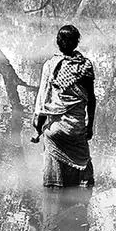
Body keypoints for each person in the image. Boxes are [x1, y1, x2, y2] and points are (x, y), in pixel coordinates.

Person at [32, 24, 96, 187]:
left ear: (57, 42)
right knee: (82, 179)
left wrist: (38, 130)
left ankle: (54, 196)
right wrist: (89, 127)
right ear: (77, 43)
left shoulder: (50, 66)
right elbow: (91, 100)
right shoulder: (85, 66)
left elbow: (43, 104)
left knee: (55, 182)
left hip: (56, 132)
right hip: (76, 130)